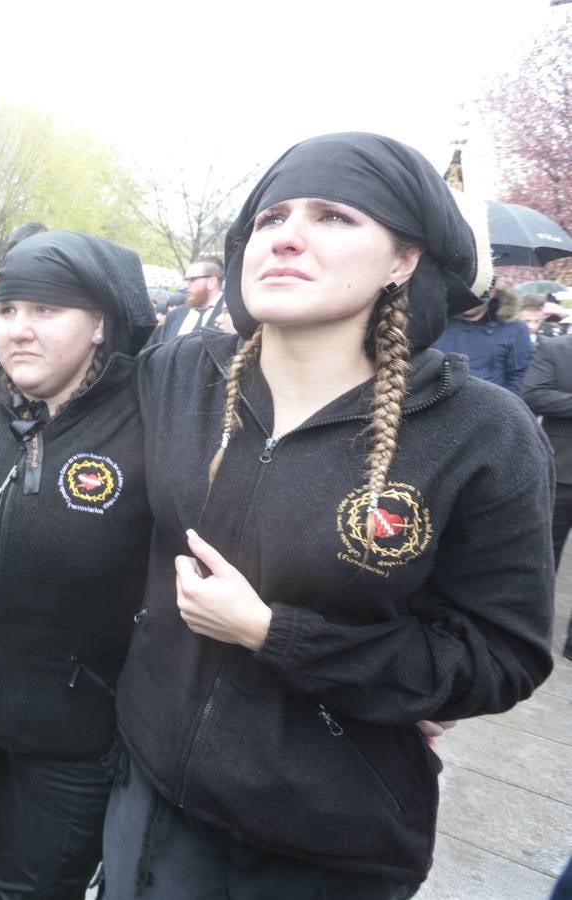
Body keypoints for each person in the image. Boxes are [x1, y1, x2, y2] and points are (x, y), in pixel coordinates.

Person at [104, 132, 554, 898]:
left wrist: (274, 634)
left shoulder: (480, 433)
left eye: (335, 217)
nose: (287, 236)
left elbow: (500, 657)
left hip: (322, 837)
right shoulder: (180, 374)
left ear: (403, 261)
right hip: (149, 792)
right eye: (271, 216)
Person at [0, 231, 156, 899]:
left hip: (80, 736)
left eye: (47, 311)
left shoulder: (151, 425)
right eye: (8, 310)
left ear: (101, 322)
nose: (19, 330)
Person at [521, 333, 572, 660]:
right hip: (562, 471)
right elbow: (534, 394)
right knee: (543, 556)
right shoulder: (556, 348)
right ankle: (529, 633)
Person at [432, 286, 532, 392]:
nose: (468, 299)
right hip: (440, 404)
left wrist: (503, 406)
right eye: (464, 292)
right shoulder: (434, 323)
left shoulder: (513, 328)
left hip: (493, 403)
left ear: (492, 291)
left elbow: (520, 376)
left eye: (475, 292)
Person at [148, 256, 225, 345]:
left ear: (211, 282)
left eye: (192, 279)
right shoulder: (174, 315)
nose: (185, 285)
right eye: (185, 280)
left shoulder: (232, 316)